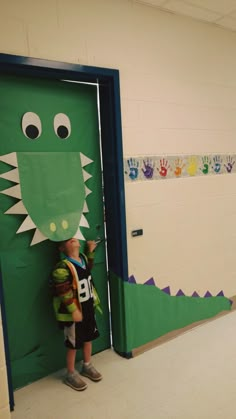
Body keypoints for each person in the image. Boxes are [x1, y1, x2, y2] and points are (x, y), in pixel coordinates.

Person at [51, 237, 102, 391]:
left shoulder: (83, 259)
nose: (73, 239)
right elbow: (63, 290)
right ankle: (70, 374)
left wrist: (90, 251)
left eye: (74, 238)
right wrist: (73, 310)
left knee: (88, 338)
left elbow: (88, 269)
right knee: (73, 344)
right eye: (68, 240)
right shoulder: (62, 268)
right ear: (62, 248)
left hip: (87, 308)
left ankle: (87, 365)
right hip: (74, 314)